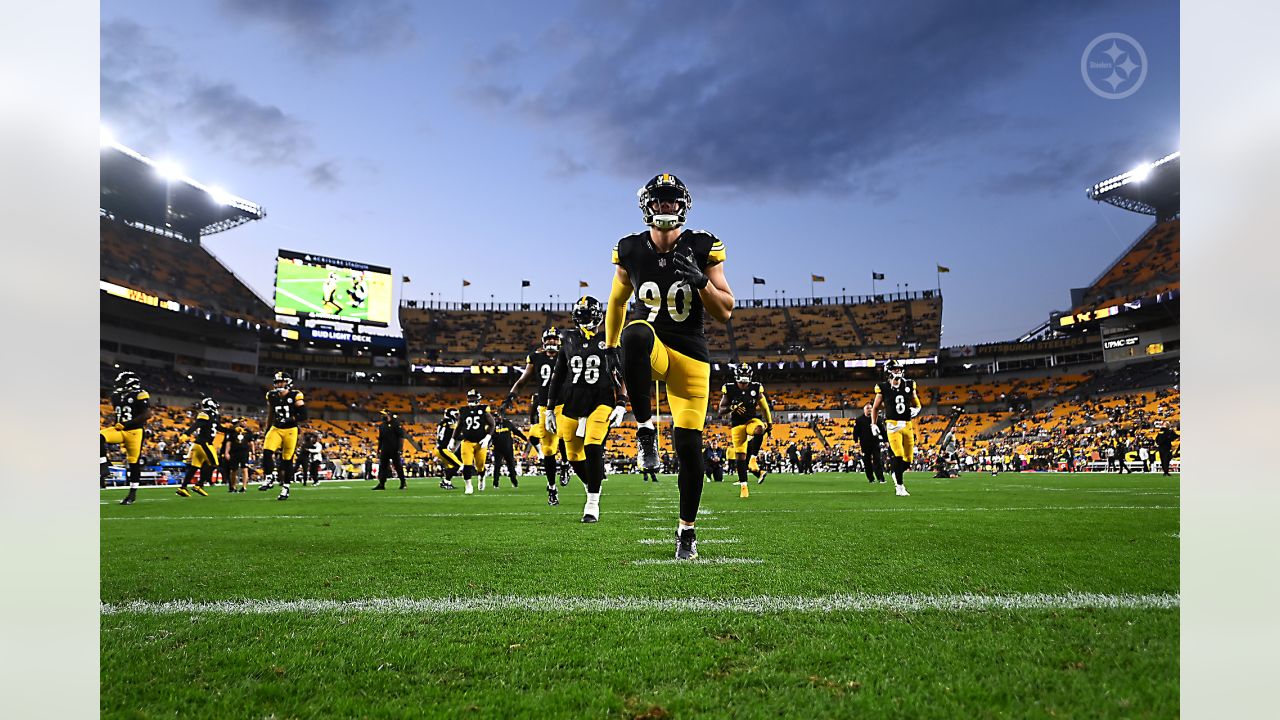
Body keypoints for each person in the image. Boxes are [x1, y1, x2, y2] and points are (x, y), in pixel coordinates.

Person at [605, 173, 734, 559]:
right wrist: (610, 347)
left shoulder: (702, 245)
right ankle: (645, 432)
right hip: (654, 348)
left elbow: (725, 311)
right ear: (648, 205)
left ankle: (686, 532)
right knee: (635, 334)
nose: (665, 206)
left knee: (690, 449)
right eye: (659, 200)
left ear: (683, 205)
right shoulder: (630, 249)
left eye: (671, 200)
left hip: (691, 357)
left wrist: (701, 282)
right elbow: (616, 302)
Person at [545, 296, 629, 522]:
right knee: (572, 455)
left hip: (601, 400)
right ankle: (592, 485)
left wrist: (621, 403)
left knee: (593, 446)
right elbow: (558, 375)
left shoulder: (609, 339)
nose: (583, 320)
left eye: (587, 315)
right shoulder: (568, 339)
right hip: (572, 403)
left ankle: (592, 504)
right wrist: (550, 409)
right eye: (580, 315)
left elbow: (622, 375)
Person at [504, 327, 563, 502]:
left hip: (567, 405)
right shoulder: (535, 358)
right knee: (549, 450)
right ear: (544, 341)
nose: (552, 342)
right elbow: (523, 380)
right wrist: (511, 395)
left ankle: (566, 464)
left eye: (555, 339)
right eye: (549, 339)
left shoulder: (567, 355)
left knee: (573, 438)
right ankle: (552, 487)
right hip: (546, 408)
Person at [717, 363, 772, 497]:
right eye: (742, 375)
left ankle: (753, 459)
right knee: (740, 456)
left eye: (746, 375)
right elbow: (721, 410)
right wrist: (732, 407)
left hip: (751, 421)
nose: (744, 379)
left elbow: (764, 407)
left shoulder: (756, 387)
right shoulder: (729, 388)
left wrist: (769, 423)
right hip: (737, 425)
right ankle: (744, 487)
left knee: (760, 428)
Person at [871, 359, 921, 496]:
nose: (897, 371)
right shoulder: (883, 387)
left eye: (899, 369)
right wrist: (873, 424)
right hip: (892, 425)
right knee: (898, 455)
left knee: (908, 460)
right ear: (888, 371)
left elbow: (917, 403)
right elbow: (875, 408)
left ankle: (895, 473)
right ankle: (899, 486)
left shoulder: (909, 384)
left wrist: (917, 409)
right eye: (894, 369)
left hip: (907, 425)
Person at [102, 370, 151, 505]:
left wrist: (126, 424)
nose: (118, 384)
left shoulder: (141, 394)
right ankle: (103, 465)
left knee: (134, 463)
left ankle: (132, 493)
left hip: (134, 432)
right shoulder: (117, 395)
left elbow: (147, 414)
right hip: (119, 429)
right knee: (99, 437)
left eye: (122, 382)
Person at [257, 371, 307, 501]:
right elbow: (271, 413)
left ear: (288, 382)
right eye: (277, 382)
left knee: (287, 460)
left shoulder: (296, 395)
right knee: (267, 451)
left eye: (281, 381)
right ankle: (269, 478)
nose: (279, 384)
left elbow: (304, 415)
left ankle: (286, 487)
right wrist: (267, 428)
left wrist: (291, 418)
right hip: (277, 428)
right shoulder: (271, 395)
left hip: (290, 430)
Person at [176, 397, 222, 497]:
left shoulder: (214, 416)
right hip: (204, 444)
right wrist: (186, 434)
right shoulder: (204, 415)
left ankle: (182, 488)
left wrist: (233, 430)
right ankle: (199, 485)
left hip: (199, 444)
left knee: (194, 467)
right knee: (214, 464)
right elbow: (196, 425)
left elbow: (220, 428)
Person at [457, 389, 494, 495]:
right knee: (467, 464)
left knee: (480, 465)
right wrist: (453, 440)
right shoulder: (463, 411)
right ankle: (468, 486)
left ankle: (481, 478)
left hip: (480, 442)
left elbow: (492, 424)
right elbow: (459, 426)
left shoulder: (483, 410)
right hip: (467, 442)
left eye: (474, 399)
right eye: (470, 399)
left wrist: (487, 437)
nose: (472, 402)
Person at [489, 407, 530, 489]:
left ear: (501, 416)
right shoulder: (492, 426)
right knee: (497, 466)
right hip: (497, 449)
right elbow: (489, 436)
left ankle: (514, 483)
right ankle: (495, 484)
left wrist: (525, 438)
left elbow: (516, 431)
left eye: (498, 416)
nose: (497, 418)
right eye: (495, 417)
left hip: (508, 449)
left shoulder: (507, 423)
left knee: (511, 466)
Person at [373, 411, 407, 490]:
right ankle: (381, 483)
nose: (382, 416)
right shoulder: (382, 426)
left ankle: (403, 482)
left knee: (397, 465)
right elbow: (380, 438)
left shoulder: (396, 424)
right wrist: (378, 450)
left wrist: (400, 448)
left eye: (383, 414)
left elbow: (401, 437)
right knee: (383, 466)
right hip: (385, 448)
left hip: (394, 448)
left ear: (388, 415)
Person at [853, 403, 887, 483]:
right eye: (867, 408)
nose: (869, 410)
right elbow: (855, 432)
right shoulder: (859, 420)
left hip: (875, 443)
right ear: (864, 409)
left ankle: (881, 478)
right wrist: (856, 441)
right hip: (864, 444)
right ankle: (871, 479)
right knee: (867, 462)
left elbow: (883, 430)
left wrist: (886, 440)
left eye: (870, 408)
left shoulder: (876, 419)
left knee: (877, 460)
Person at [222, 418, 255, 493]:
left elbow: (251, 443)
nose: (244, 423)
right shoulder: (233, 431)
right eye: (242, 421)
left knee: (245, 469)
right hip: (234, 452)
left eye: (245, 421)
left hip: (244, 452)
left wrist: (253, 453)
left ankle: (244, 487)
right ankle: (233, 486)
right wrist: (226, 452)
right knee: (233, 470)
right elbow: (229, 442)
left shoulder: (248, 431)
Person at [434, 408, 462, 489]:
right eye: (456, 414)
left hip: (440, 448)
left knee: (452, 467)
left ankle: (446, 482)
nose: (457, 416)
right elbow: (457, 435)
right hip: (443, 449)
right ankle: (445, 481)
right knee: (459, 465)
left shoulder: (443, 422)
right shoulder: (450, 423)